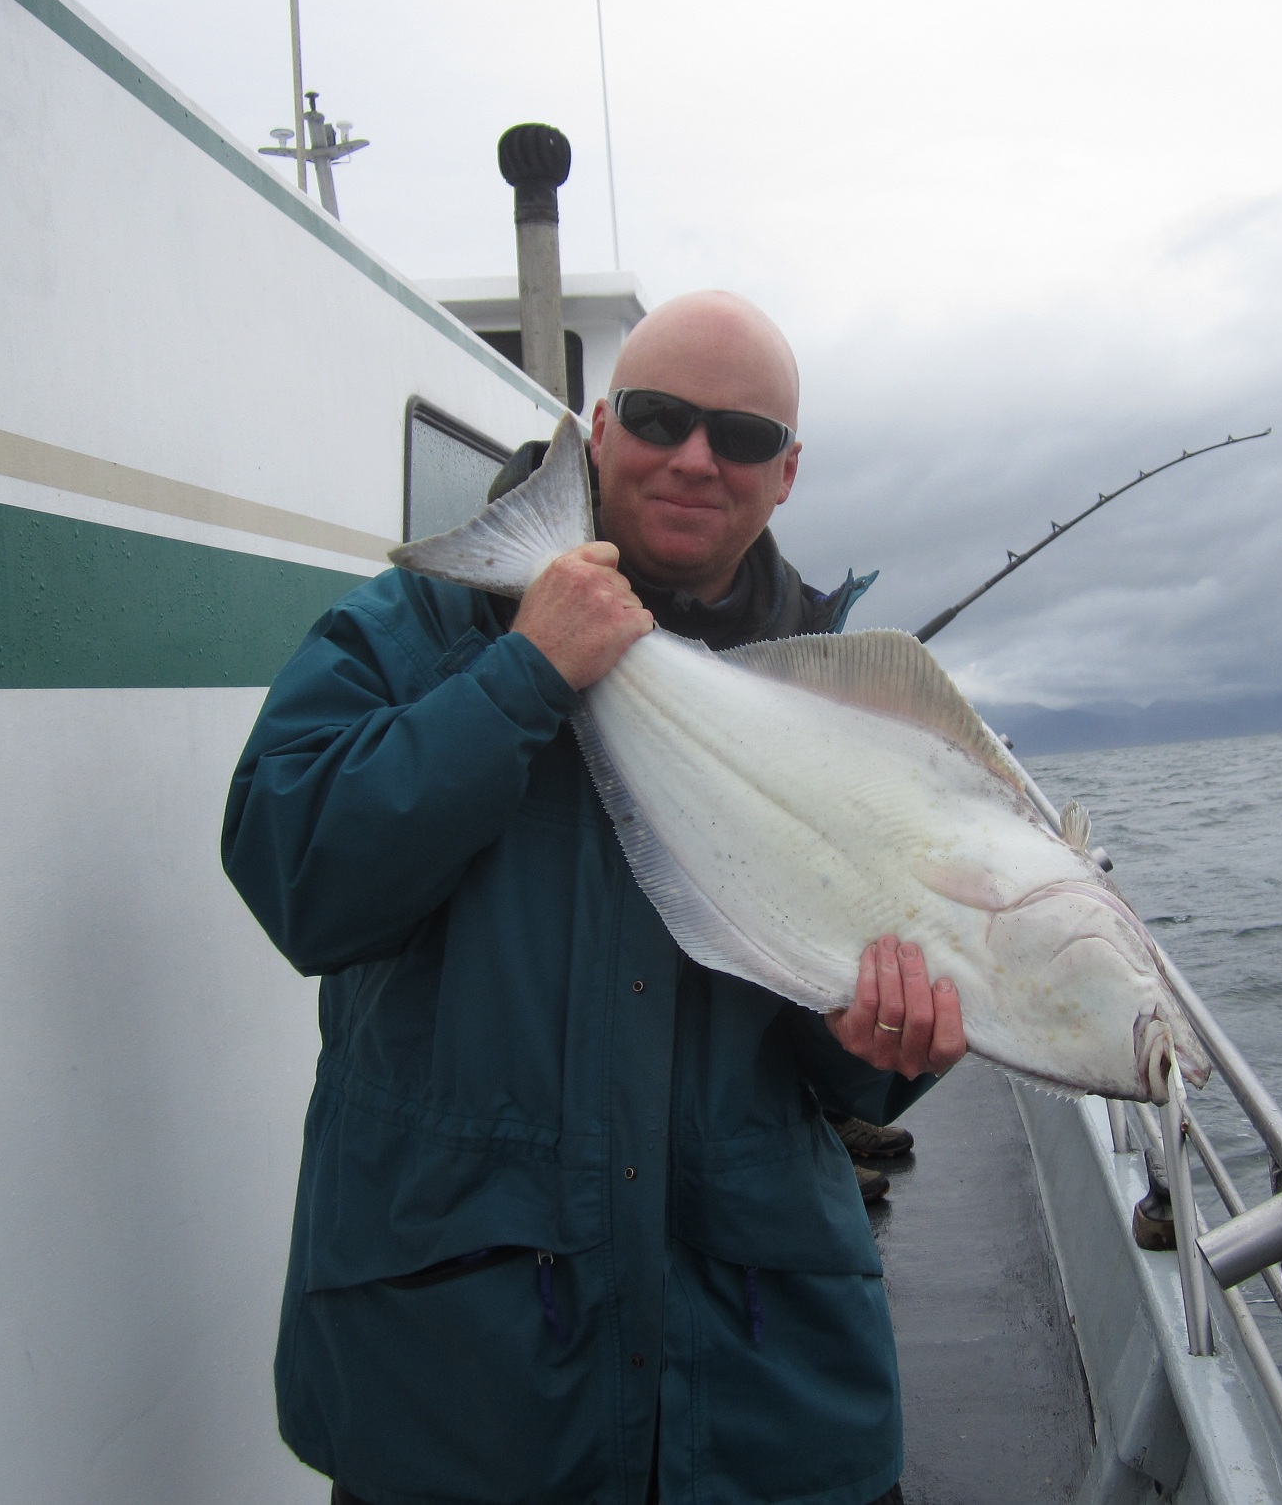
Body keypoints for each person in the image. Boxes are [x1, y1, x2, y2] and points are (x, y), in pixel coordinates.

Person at [222, 290, 967, 1505]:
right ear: (599, 425)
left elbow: (854, 1059)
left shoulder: (846, 703)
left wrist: (882, 1056)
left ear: (786, 475)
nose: (694, 458)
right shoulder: (420, 626)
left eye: (740, 437)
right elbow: (294, 870)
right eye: (663, 418)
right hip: (462, 1411)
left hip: (763, 1416)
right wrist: (521, 676)